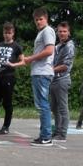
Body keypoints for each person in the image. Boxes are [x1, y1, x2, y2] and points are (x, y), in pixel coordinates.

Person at [22, 8, 56, 146]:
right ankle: (44, 134)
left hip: (42, 72)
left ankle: (46, 136)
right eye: (36, 20)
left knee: (43, 105)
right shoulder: (42, 32)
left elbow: (49, 50)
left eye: (40, 19)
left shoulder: (48, 31)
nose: (38, 22)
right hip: (38, 72)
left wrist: (30, 58)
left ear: (46, 18)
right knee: (41, 105)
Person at [50, 22, 76, 142]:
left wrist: (50, 70)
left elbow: (66, 65)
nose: (62, 33)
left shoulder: (69, 46)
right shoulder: (58, 46)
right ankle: (57, 131)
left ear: (68, 33)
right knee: (54, 108)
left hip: (62, 79)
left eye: (64, 31)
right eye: (60, 31)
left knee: (62, 108)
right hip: (54, 79)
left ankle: (62, 134)